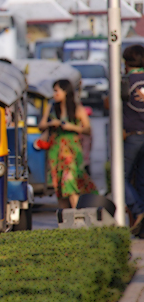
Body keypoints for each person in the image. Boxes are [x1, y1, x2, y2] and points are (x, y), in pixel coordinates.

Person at [38, 79, 97, 209]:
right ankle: (65, 222)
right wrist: (50, 124)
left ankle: (77, 217)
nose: (55, 94)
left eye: (56, 91)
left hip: (71, 150)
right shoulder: (52, 107)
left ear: (65, 91)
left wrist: (72, 127)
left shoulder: (77, 108)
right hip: (56, 150)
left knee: (69, 182)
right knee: (59, 187)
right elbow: (41, 126)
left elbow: (87, 129)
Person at [121, 44, 144, 234]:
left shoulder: (126, 80)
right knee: (142, 180)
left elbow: (108, 103)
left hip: (133, 135)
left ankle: (138, 210)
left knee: (120, 177)